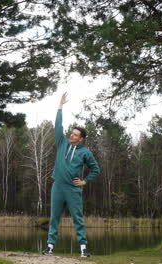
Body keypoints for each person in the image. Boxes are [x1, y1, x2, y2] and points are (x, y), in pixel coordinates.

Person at [43, 93, 100, 257]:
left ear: (81, 139)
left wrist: (85, 181)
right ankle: (50, 248)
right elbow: (58, 126)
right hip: (58, 187)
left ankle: (83, 250)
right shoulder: (62, 143)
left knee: (78, 219)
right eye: (72, 133)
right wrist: (60, 107)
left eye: (75, 135)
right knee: (54, 218)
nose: (71, 135)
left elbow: (96, 169)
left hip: (73, 189)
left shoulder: (85, 153)